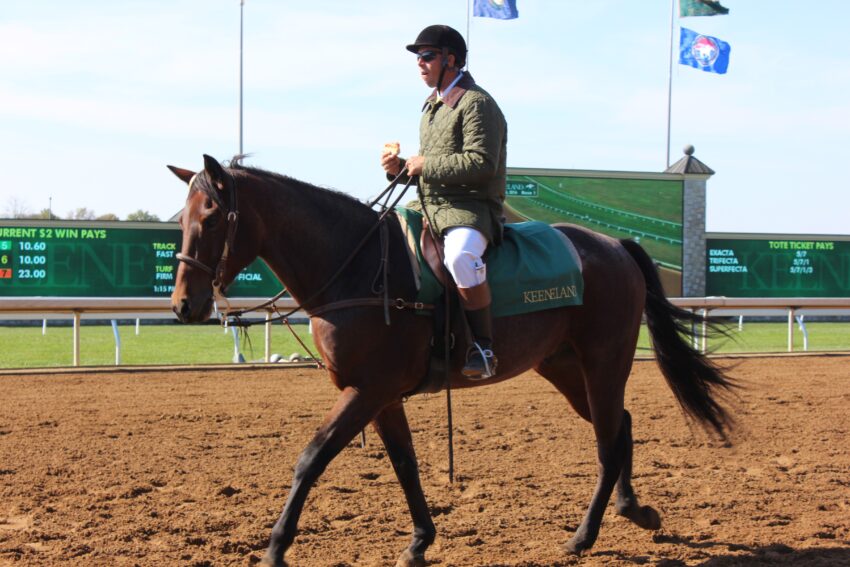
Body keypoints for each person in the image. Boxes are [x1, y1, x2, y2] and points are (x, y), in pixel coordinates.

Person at [381, 24, 507, 379]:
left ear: (450, 60)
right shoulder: (432, 105)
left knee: (461, 258)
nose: (420, 64)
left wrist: (424, 164)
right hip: (428, 207)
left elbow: (482, 164)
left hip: (471, 209)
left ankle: (483, 346)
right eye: (418, 58)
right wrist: (400, 169)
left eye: (427, 56)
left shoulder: (478, 103)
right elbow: (428, 166)